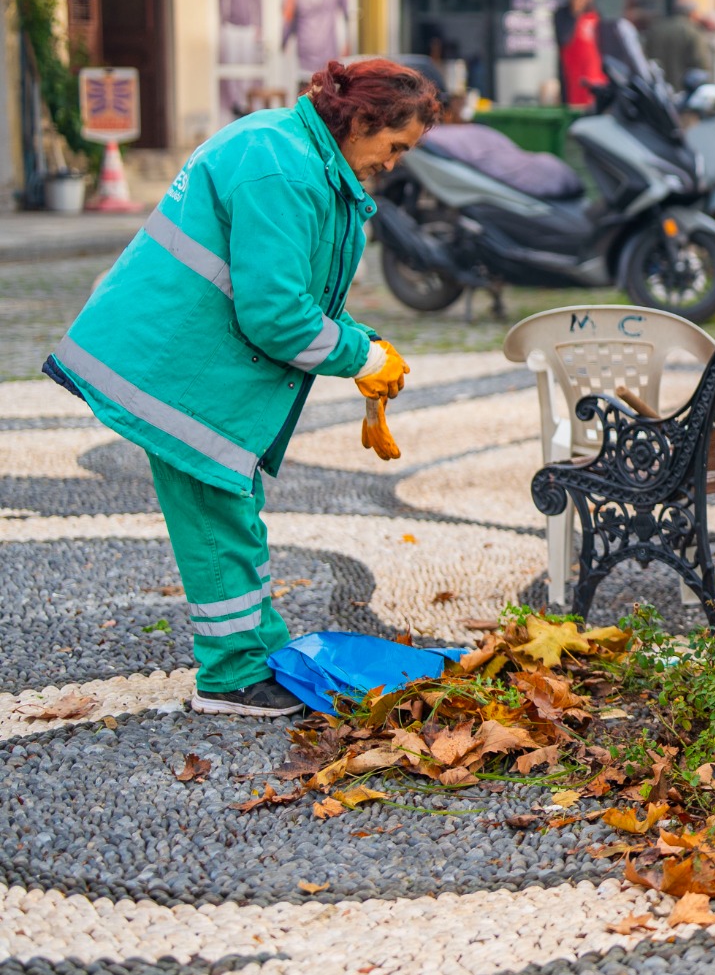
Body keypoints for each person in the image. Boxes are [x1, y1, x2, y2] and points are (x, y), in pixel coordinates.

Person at [46, 60, 440, 715]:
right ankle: (231, 679)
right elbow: (278, 316)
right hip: (176, 370)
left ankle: (255, 653)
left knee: (232, 510)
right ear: (365, 120)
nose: (394, 163)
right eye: (394, 146)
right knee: (217, 519)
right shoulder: (280, 168)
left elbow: (299, 292)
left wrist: (364, 342)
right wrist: (359, 359)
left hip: (190, 363)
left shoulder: (293, 153)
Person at [555, 0, 602, 111]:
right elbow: (563, 39)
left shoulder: (595, 13)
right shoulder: (563, 14)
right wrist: (574, 14)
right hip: (572, 80)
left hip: (594, 78)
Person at [643, 0, 711, 86]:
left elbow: (645, 57)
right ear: (692, 12)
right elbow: (702, 65)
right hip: (681, 90)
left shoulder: (656, 28)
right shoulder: (692, 31)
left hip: (657, 89)